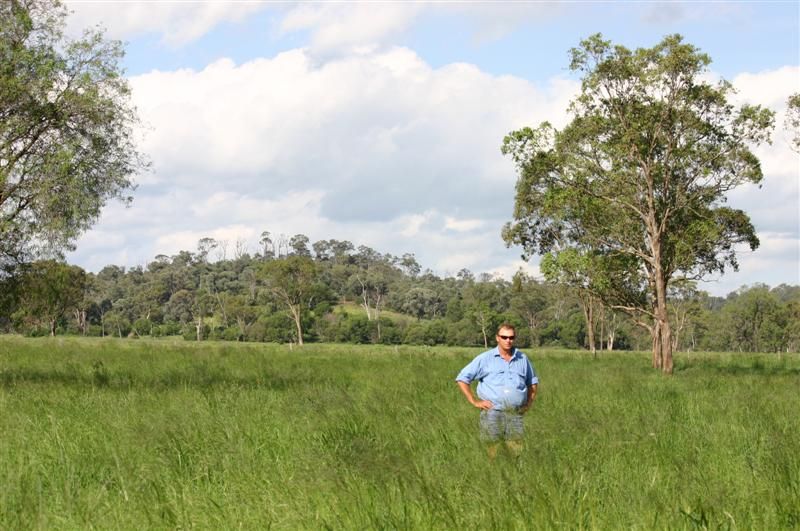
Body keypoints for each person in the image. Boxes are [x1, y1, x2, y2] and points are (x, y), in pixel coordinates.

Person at [455, 323, 538, 458]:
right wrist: (474, 401)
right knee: (492, 448)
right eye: (504, 337)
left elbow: (532, 382)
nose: (508, 340)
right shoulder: (485, 358)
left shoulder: (522, 359)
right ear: (497, 338)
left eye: (511, 337)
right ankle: (493, 469)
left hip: (516, 412)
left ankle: (513, 469)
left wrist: (528, 404)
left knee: (516, 448)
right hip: (492, 412)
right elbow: (462, 378)